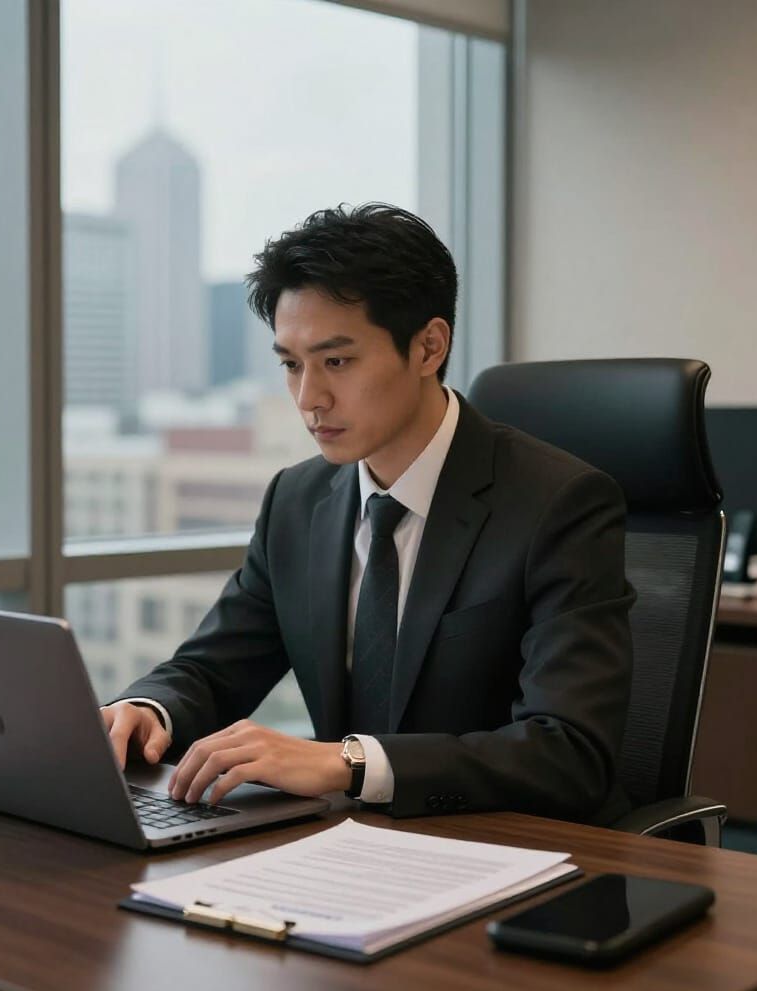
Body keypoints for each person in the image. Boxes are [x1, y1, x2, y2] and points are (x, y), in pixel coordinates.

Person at [101, 203, 634, 823]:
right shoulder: (296, 501)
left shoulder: (559, 503)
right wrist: (147, 709)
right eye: (291, 364)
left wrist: (348, 764)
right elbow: (214, 669)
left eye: (337, 361)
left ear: (429, 346)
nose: (309, 398)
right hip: (352, 851)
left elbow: (568, 752)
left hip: (513, 854)